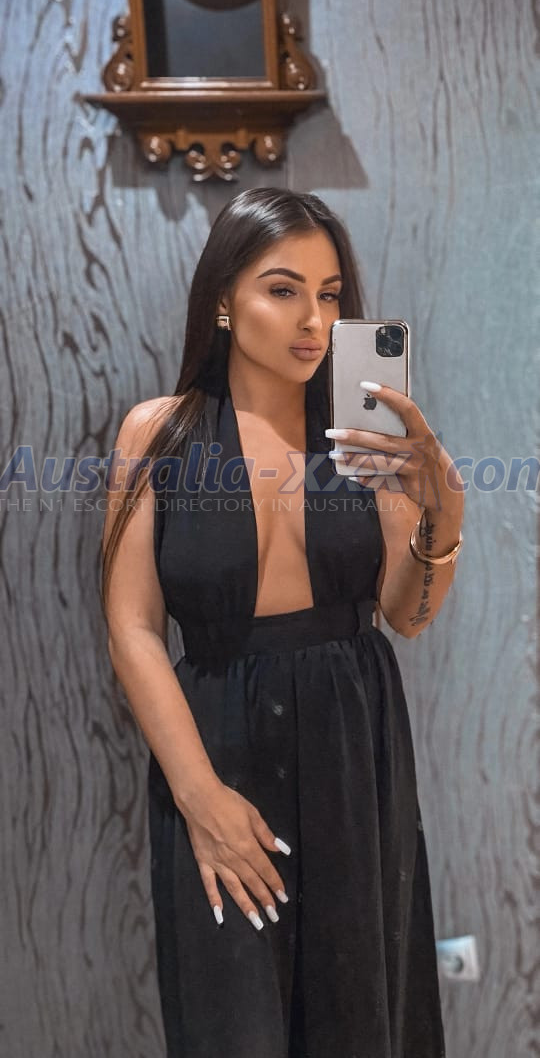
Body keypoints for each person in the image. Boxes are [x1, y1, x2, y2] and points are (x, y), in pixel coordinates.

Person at [101, 187, 464, 1058]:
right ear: (224, 301)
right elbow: (133, 627)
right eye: (283, 288)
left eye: (330, 293)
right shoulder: (159, 435)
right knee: (233, 1026)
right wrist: (199, 796)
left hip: (353, 745)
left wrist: (442, 515)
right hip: (215, 750)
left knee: (357, 1015)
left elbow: (406, 615)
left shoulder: (362, 436)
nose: (313, 319)